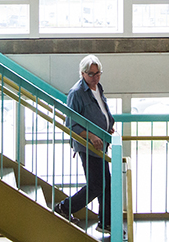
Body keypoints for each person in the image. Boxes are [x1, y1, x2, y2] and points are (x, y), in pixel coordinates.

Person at [54, 54, 115, 235]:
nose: (95, 77)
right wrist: (90, 136)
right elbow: (71, 124)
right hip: (88, 147)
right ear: (82, 73)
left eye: (98, 73)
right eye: (91, 74)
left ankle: (106, 223)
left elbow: (101, 111)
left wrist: (108, 126)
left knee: (106, 184)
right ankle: (64, 208)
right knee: (97, 185)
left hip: (101, 144)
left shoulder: (97, 87)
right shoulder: (76, 93)